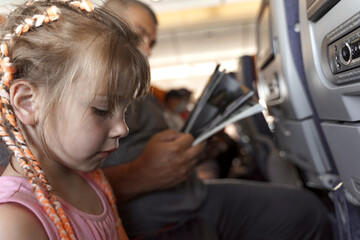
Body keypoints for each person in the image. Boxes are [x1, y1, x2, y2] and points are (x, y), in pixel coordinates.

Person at [102, 1, 334, 239]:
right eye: (141, 33)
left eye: (152, 42)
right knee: (307, 211)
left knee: (305, 208)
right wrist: (142, 173)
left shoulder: (137, 90)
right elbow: (72, 182)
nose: (148, 50)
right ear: (104, 23)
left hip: (189, 195)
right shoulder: (96, 90)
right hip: (171, 218)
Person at [0, 0, 150, 239]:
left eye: (125, 110)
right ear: (27, 102)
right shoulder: (13, 220)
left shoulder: (93, 178)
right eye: (101, 109)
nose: (123, 128)